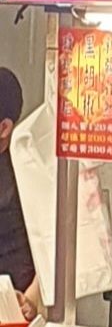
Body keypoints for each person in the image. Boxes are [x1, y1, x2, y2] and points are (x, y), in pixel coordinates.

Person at [0, 68, 39, 321]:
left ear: (4, 128)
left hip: (15, 310)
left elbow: (56, 251)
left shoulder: (30, 172)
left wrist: (32, 299)